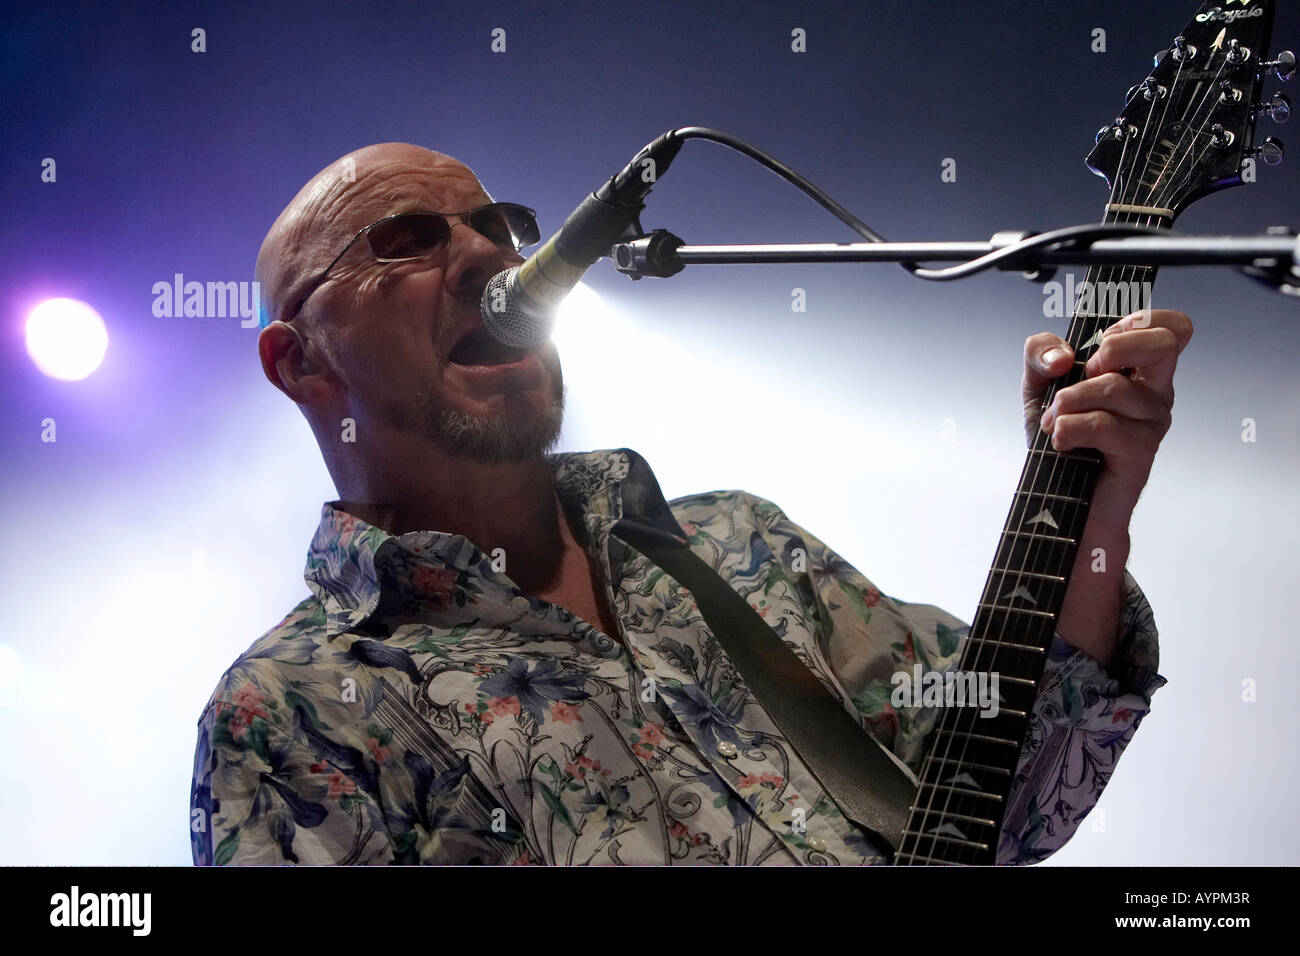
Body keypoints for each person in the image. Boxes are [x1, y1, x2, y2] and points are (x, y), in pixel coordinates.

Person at [189, 142, 1188, 866]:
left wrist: (1090, 517)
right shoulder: (287, 709)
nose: (494, 256)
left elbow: (1011, 795)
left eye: (503, 228)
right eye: (405, 239)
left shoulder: (734, 542)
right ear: (300, 360)